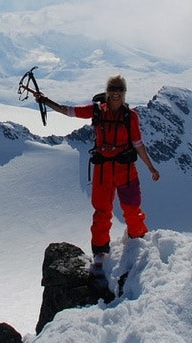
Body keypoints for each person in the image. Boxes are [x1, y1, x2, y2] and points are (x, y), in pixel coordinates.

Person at [33, 75, 160, 262]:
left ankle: (138, 248)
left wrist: (150, 167)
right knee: (102, 213)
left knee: (132, 211)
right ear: (107, 91)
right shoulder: (97, 111)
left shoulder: (130, 116)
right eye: (113, 89)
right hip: (104, 171)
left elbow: (138, 143)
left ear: (124, 93)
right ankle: (101, 256)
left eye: (119, 89)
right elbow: (68, 111)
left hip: (125, 170)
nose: (116, 93)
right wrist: (45, 100)